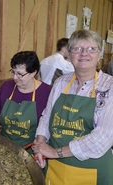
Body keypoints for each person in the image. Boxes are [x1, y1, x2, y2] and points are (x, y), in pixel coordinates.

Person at [33, 29, 113, 185]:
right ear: (69, 55)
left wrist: (55, 152)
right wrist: (40, 146)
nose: (84, 53)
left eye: (91, 48)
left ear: (99, 55)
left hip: (91, 170)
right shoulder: (61, 82)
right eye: (77, 49)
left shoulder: (109, 86)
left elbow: (103, 137)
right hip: (55, 168)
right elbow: (47, 116)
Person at [0, 51, 52, 153]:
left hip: (31, 151)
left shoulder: (47, 92)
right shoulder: (7, 87)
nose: (14, 77)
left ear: (33, 73)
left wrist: (40, 142)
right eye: (13, 72)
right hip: (5, 148)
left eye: (20, 74)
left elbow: (48, 125)